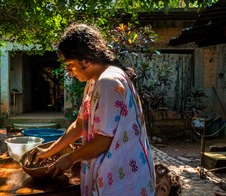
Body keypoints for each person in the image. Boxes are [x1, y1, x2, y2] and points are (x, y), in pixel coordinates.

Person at [32, 23, 156, 195]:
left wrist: (70, 158)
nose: (68, 71)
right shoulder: (93, 82)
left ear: (86, 60)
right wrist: (49, 151)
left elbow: (102, 141)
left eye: (69, 64)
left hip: (123, 180)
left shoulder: (108, 82)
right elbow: (79, 125)